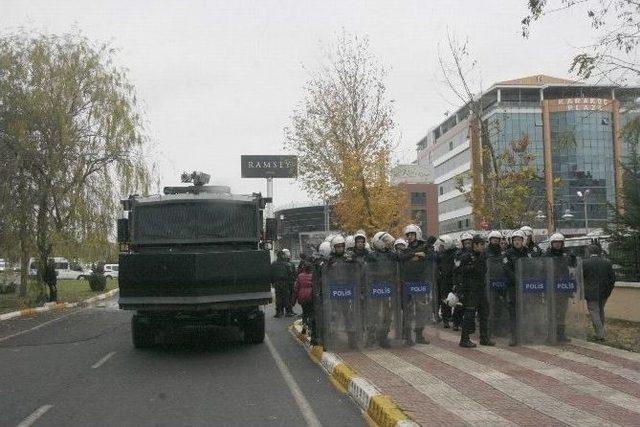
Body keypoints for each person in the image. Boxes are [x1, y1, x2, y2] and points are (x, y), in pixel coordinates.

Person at [459, 235, 495, 348]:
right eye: (481, 245)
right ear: (475, 245)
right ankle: (464, 339)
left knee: (484, 312)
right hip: (470, 289)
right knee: (469, 314)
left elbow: (483, 270)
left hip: (480, 287)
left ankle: (484, 338)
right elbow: (461, 271)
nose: (483, 247)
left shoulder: (482, 255)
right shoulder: (466, 256)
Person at [397, 224, 431, 346]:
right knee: (408, 310)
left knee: (421, 309)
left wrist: (422, 254)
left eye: (412, 234)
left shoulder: (424, 247)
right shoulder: (405, 248)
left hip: (420, 283)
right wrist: (415, 254)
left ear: (417, 235)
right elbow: (400, 257)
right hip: (407, 283)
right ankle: (408, 337)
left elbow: (430, 256)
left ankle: (419, 335)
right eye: (408, 235)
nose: (410, 237)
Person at [365, 231, 397, 348]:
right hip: (375, 288)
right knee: (374, 314)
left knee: (387, 314)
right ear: (379, 243)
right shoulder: (371, 256)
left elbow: (401, 258)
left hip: (388, 288)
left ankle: (383, 337)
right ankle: (370, 337)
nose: (388, 244)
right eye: (385, 241)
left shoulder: (391, 255)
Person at [545, 233, 576, 342]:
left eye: (559, 243)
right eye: (555, 243)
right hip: (551, 289)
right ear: (551, 243)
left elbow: (571, 270)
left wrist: (573, 259)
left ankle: (561, 334)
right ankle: (550, 334)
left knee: (562, 312)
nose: (558, 245)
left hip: (563, 288)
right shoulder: (547, 255)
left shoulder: (566, 255)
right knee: (552, 312)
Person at [503, 229, 531, 346]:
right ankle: (514, 337)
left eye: (519, 240)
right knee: (513, 311)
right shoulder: (507, 254)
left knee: (526, 310)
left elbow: (533, 266)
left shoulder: (528, 252)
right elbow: (506, 269)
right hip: (513, 286)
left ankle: (526, 334)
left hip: (526, 286)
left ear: (523, 241)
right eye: (515, 240)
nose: (517, 242)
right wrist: (516, 279)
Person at [582, 244, 616, 341]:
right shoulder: (607, 263)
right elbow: (612, 279)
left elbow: (580, 277)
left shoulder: (584, 263)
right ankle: (599, 333)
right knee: (600, 311)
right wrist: (608, 290)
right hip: (604, 292)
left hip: (591, 293)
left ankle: (600, 334)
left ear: (589, 251)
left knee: (594, 312)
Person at [451, 232, 473, 331]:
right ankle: (456, 322)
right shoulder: (458, 253)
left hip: (471, 281)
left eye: (469, 243)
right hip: (461, 281)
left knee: (470, 304)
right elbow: (456, 268)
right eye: (466, 243)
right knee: (460, 304)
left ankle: (467, 323)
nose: (468, 245)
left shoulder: (474, 252)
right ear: (463, 243)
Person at [435, 235, 457, 329]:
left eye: (442, 245)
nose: (440, 247)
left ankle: (456, 320)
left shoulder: (455, 254)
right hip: (444, 280)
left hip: (454, 279)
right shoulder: (441, 256)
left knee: (457, 300)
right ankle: (446, 319)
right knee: (445, 300)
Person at [271, 250, 295, 318]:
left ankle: (279, 312)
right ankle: (288, 312)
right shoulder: (286, 264)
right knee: (286, 297)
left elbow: (271, 273)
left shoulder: (273, 264)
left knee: (278, 297)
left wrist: (272, 282)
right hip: (285, 282)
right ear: (283, 255)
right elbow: (290, 274)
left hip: (277, 283)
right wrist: (291, 282)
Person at [294, 262, 314, 334]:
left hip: (302, 296)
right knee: (311, 312)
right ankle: (311, 327)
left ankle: (304, 325)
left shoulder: (300, 276)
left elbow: (296, 287)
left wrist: (295, 298)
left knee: (305, 312)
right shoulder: (313, 276)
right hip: (311, 295)